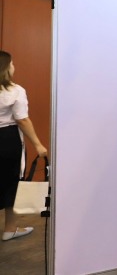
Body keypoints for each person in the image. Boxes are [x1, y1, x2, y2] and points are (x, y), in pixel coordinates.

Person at [0, 50, 48, 241]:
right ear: (5, 68)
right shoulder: (15, 91)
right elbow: (22, 120)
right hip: (8, 140)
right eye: (11, 64)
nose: (14, 67)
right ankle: (10, 229)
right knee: (12, 183)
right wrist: (38, 144)